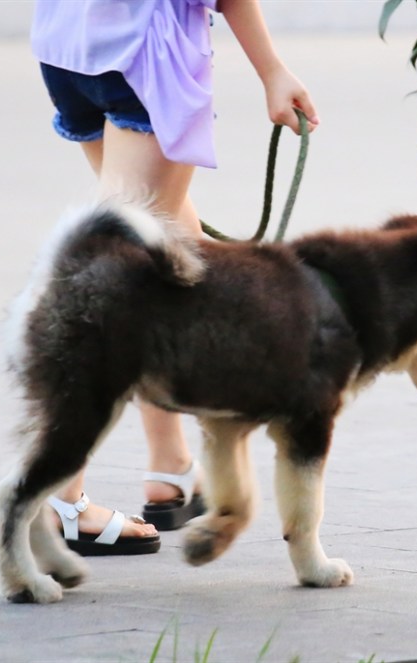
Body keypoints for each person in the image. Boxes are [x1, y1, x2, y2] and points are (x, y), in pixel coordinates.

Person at [31, 0, 319, 555]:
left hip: (69, 42)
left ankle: (170, 470)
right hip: (143, 53)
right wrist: (272, 70)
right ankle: (63, 498)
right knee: (115, 282)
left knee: (167, 251)